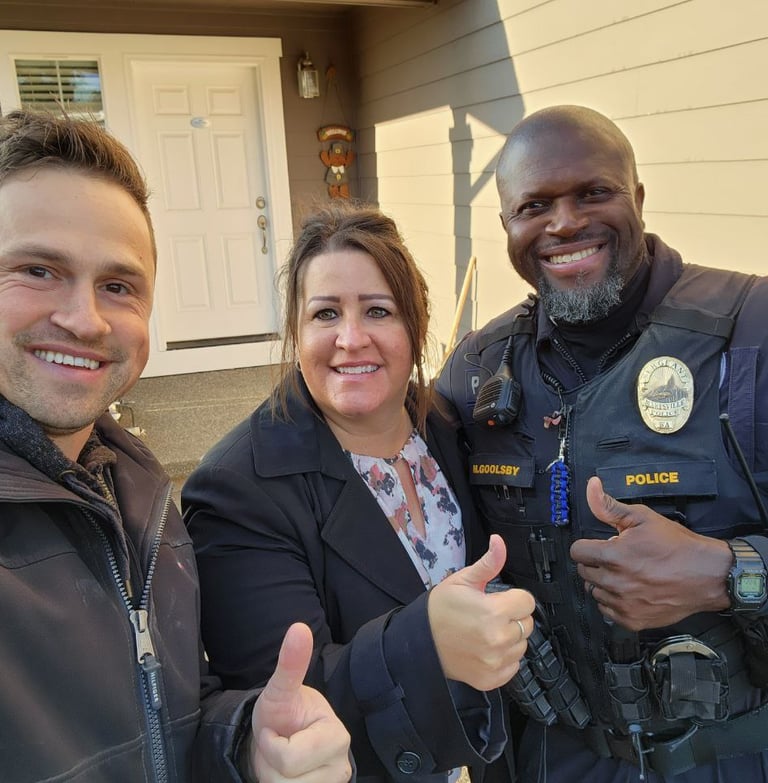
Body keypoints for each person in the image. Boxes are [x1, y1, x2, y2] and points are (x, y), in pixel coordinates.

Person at [0, 109, 353, 783]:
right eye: (38, 270)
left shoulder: (141, 492)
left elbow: (167, 719)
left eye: (118, 285)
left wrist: (249, 744)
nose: (85, 318)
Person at [436, 104, 768, 782]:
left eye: (592, 192)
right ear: (508, 227)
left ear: (637, 197)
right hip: (556, 758)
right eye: (534, 205)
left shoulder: (752, 333)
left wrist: (727, 573)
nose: (564, 222)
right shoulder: (477, 370)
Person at [183, 202, 536, 782]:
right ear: (296, 332)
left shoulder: (447, 429)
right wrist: (426, 645)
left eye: (378, 310)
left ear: (415, 328)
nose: (351, 339)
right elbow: (282, 707)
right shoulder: (237, 491)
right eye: (326, 314)